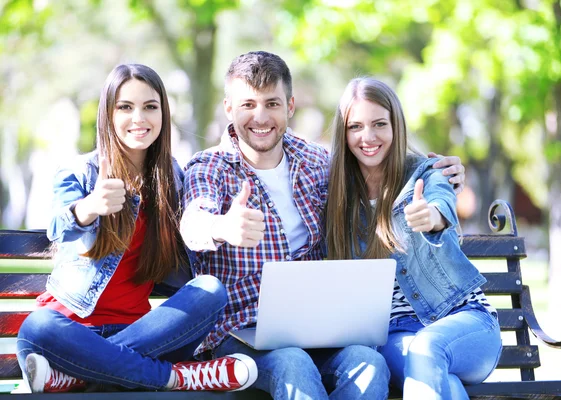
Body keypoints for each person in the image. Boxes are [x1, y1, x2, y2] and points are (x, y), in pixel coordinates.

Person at [180, 51, 465, 399]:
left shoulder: (316, 160)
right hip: (241, 334)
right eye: (247, 104)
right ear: (228, 108)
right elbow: (194, 223)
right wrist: (223, 227)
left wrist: (435, 172)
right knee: (293, 363)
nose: (260, 116)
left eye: (271, 103)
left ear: (290, 106)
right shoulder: (209, 167)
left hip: (317, 329)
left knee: (368, 362)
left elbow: (375, 165)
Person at [16, 64, 257, 394]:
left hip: (144, 333)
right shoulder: (80, 170)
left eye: (150, 107)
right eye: (125, 107)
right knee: (37, 326)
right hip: (69, 333)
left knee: (210, 290)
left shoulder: (172, 178)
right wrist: (90, 207)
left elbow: (194, 227)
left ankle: (83, 376)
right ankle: (178, 378)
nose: (139, 118)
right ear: (109, 114)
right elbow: (59, 227)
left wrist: (222, 227)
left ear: (163, 113)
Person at [325, 77, 502, 400]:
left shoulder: (427, 174)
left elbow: (440, 203)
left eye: (380, 124)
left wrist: (431, 217)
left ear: (397, 126)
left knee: (428, 347)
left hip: (465, 323)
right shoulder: (336, 195)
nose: (368, 137)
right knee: (439, 378)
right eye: (356, 127)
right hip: (397, 335)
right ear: (343, 132)